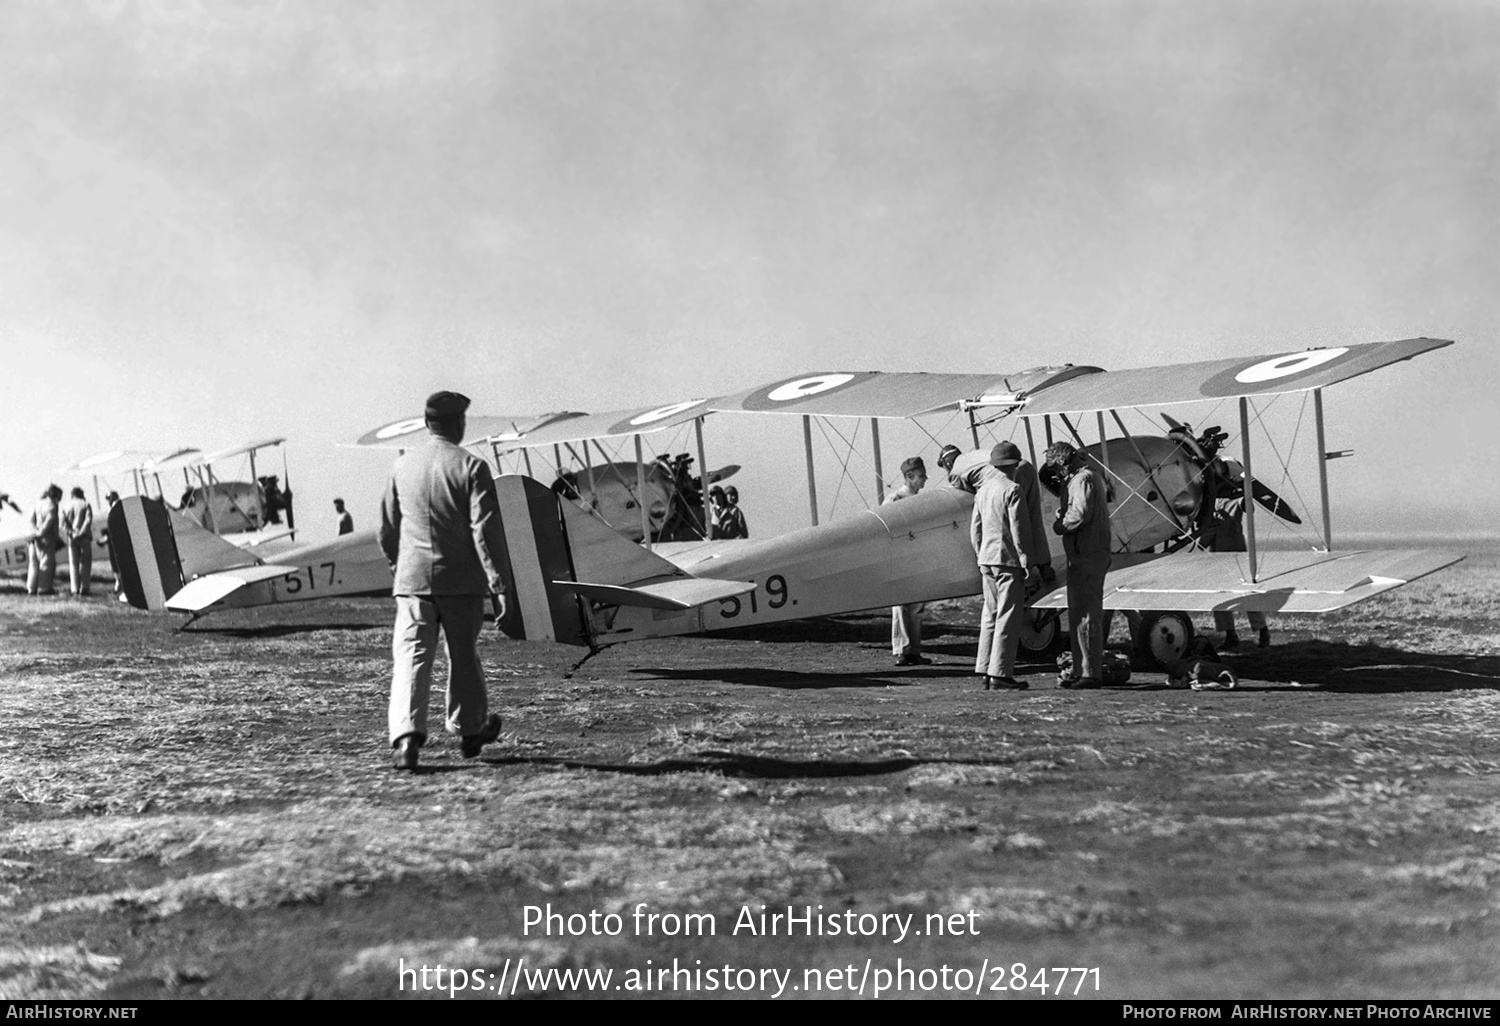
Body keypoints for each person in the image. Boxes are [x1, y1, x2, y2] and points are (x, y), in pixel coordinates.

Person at [379, 391, 508, 772]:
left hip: (413, 579)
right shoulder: (472, 466)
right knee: (463, 655)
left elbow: (387, 528)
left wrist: (397, 567)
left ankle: (406, 739)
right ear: (459, 424)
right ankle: (470, 731)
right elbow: (483, 530)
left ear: (426, 422)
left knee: (411, 658)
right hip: (461, 580)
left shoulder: (401, 466)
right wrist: (499, 584)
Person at [971, 442, 1046, 690]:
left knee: (990, 615)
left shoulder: (982, 490)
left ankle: (984, 668)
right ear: (1015, 464)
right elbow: (1020, 530)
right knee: (1008, 617)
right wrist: (1026, 560)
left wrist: (981, 556)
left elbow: (976, 530)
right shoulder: (1013, 489)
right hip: (1008, 561)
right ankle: (1001, 673)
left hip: (987, 559)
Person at [1047, 441, 1112, 688]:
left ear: (1064, 463)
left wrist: (1059, 525)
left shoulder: (1081, 480)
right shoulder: (1085, 477)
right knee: (1079, 613)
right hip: (1085, 552)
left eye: (1056, 468)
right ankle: (1081, 668)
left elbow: (1080, 515)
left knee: (1086, 613)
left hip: (1087, 553)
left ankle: (1090, 673)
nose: (1055, 474)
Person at [1204, 490, 1270, 649]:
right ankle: (1230, 634)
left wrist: (1247, 490)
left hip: (1236, 555)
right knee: (1221, 596)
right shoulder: (1209, 502)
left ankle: (1262, 631)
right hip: (1217, 555)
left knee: (1246, 594)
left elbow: (1248, 507)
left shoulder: (1235, 499)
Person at [886, 456, 930, 666]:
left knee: (916, 607)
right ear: (909, 476)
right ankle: (901, 650)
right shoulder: (894, 499)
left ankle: (914, 650)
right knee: (901, 606)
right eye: (921, 476)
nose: (925, 479)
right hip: (900, 560)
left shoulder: (922, 501)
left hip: (918, 559)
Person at [27, 485, 62, 596]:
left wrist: (34, 533)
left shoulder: (37, 504)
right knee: (46, 563)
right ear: (55, 495)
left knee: (33, 565)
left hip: (34, 538)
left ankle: (31, 588)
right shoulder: (52, 506)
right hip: (46, 538)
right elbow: (49, 523)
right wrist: (40, 534)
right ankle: (44, 588)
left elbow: (31, 521)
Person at [60, 487, 94, 596]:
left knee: (73, 564)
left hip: (71, 538)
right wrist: (81, 533)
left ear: (72, 495)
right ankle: (85, 588)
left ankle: (74, 588)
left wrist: (71, 533)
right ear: (81, 494)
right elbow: (88, 520)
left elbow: (63, 524)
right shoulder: (85, 504)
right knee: (85, 563)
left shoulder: (65, 506)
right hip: (84, 537)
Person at [101, 491, 126, 601]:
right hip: (115, 536)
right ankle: (119, 583)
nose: (108, 500)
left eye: (108, 498)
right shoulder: (117, 507)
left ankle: (120, 584)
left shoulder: (115, 507)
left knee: (115, 561)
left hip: (115, 537)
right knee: (116, 562)